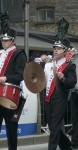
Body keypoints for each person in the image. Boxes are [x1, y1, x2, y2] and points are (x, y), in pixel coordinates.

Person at [0, 27, 27, 149]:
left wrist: (6, 78)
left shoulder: (19, 54)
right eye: (3, 40)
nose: (4, 42)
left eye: (7, 40)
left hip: (11, 93)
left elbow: (20, 75)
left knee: (11, 126)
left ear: (13, 41)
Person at [44, 18, 77, 150]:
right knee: (52, 127)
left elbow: (72, 82)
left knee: (56, 126)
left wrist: (63, 78)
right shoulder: (48, 64)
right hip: (47, 98)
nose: (56, 50)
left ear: (65, 51)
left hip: (60, 97)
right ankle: (66, 146)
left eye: (59, 48)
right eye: (55, 48)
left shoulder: (70, 66)